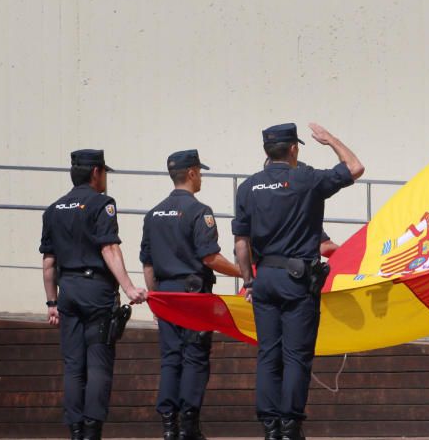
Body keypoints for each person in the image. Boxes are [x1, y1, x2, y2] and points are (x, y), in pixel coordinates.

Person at [233, 123, 364, 440]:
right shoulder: (307, 179)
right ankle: (290, 425)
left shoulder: (248, 187)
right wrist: (331, 139)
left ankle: (270, 426)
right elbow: (355, 167)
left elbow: (240, 245)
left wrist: (249, 281)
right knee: (296, 356)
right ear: (294, 148)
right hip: (297, 281)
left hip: (264, 280)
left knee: (268, 354)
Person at [39, 149, 147, 440]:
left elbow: (49, 263)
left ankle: (75, 430)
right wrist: (128, 287)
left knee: (73, 365)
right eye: (104, 173)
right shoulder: (102, 204)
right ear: (96, 173)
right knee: (98, 362)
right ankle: (91, 431)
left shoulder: (53, 209)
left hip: (68, 292)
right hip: (96, 291)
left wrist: (51, 303)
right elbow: (109, 248)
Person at [140, 149, 243, 440]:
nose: (201, 179)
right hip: (194, 295)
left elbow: (147, 263)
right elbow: (210, 258)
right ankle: (188, 425)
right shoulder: (200, 212)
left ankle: (169, 426)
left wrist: (154, 297)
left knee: (171, 358)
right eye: (200, 172)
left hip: (165, 294)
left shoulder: (153, 214)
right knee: (195, 357)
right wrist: (242, 273)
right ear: (192, 173)